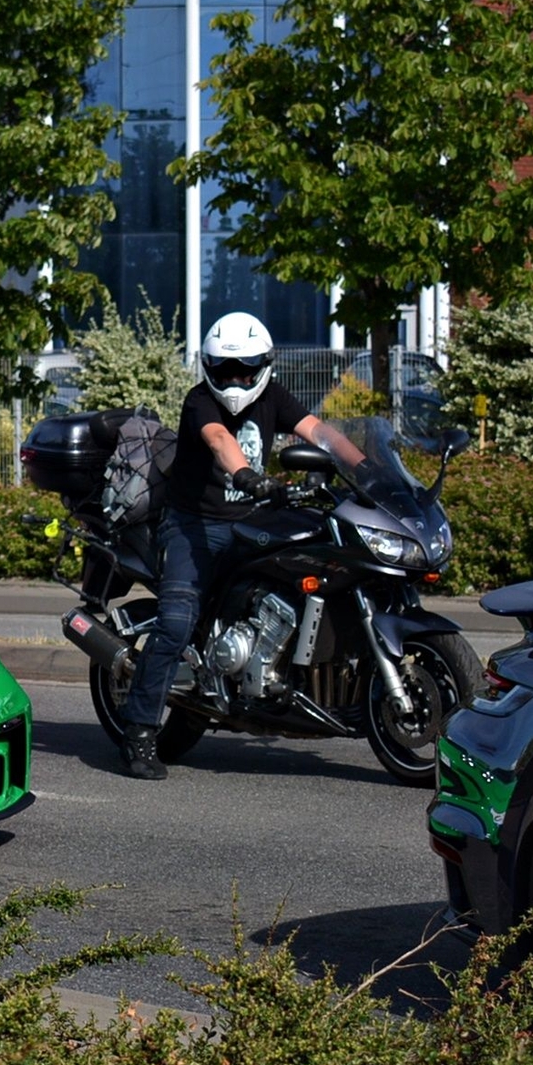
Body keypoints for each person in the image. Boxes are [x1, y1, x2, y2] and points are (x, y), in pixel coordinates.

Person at [116, 312, 356, 780]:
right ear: (209, 367)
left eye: (245, 369)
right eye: (225, 369)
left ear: (263, 365)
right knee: (176, 622)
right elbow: (219, 438)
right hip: (193, 525)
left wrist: (363, 470)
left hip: (251, 522)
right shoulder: (199, 401)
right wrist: (247, 475)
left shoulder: (272, 396)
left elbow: (319, 433)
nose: (235, 379)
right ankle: (139, 733)